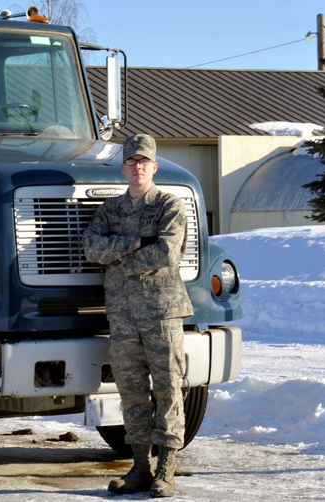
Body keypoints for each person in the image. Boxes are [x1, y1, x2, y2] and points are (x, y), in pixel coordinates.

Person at [82, 134, 193, 498]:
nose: (137, 167)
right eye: (131, 161)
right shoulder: (110, 210)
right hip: (123, 314)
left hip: (162, 312)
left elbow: (166, 252)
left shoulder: (169, 206)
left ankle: (167, 468)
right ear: (123, 167)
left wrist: (117, 257)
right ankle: (140, 466)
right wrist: (132, 244)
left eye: (144, 161)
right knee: (131, 392)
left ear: (154, 166)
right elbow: (90, 248)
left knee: (167, 389)